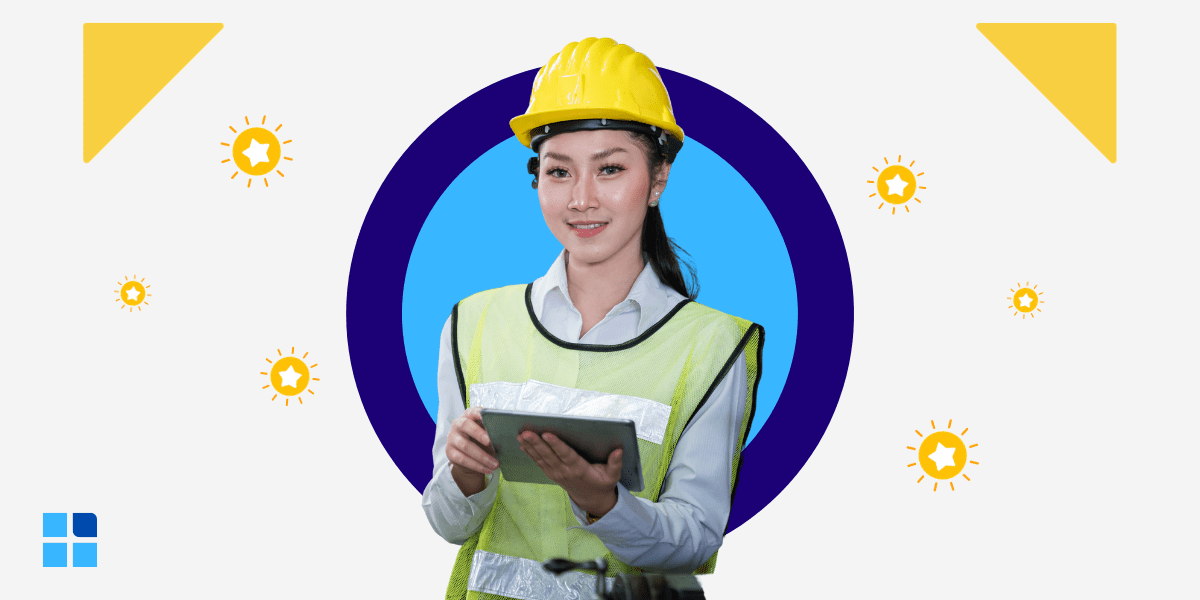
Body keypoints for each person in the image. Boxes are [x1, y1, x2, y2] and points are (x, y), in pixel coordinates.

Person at [421, 37, 764, 600]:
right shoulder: (474, 322)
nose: (581, 198)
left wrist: (604, 503)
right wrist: (464, 474)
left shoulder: (712, 344)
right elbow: (447, 523)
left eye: (609, 169)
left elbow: (697, 541)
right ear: (538, 179)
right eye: (559, 172)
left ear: (657, 180)